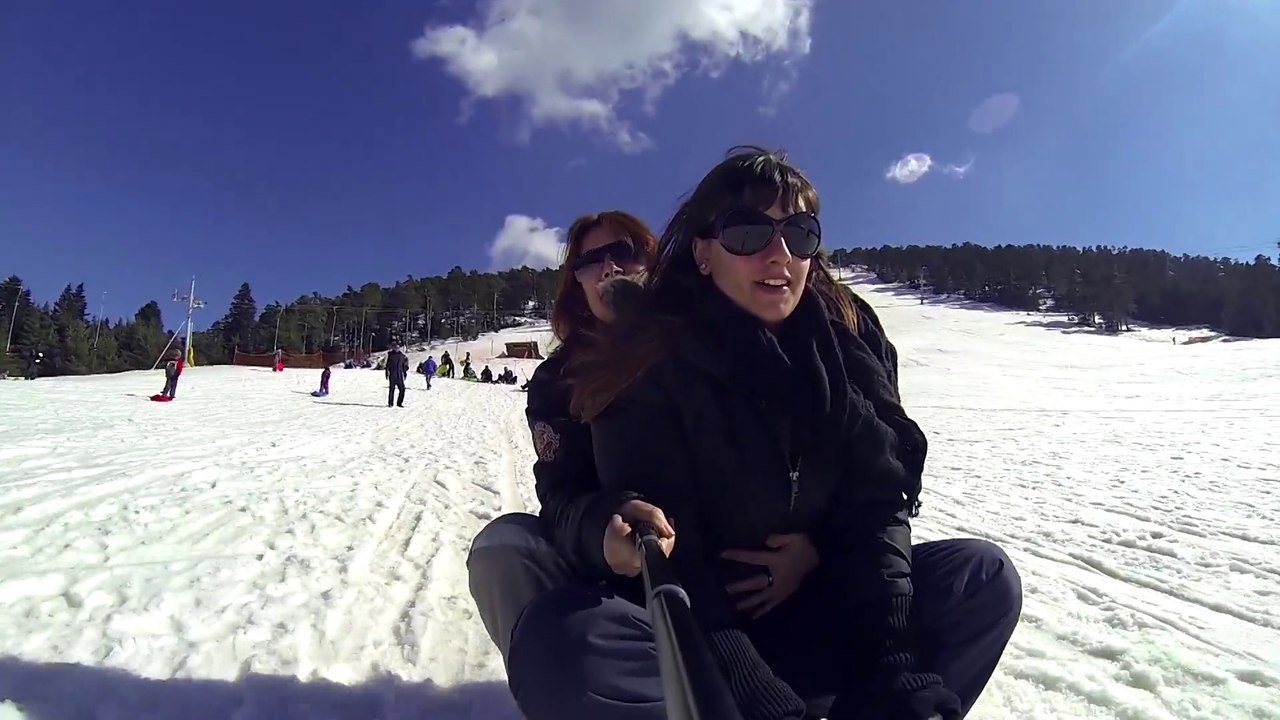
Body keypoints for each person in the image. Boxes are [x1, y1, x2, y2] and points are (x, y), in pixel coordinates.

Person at [566, 147, 1022, 720]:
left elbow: (876, 502)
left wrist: (894, 664)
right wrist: (765, 704)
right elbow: (673, 558)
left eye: (799, 233)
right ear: (704, 254)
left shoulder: (846, 351)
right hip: (706, 633)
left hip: (815, 605)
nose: (778, 252)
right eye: (749, 230)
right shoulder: (648, 363)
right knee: (573, 642)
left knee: (982, 577)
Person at [469, 211, 692, 720]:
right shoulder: (557, 380)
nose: (609, 266)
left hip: (719, 563)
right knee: (503, 548)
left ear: (653, 264)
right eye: (591, 260)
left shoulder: (698, 345)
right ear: (578, 283)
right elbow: (560, 493)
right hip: (612, 568)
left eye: (625, 251)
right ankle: (561, 681)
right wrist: (602, 529)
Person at [385, 342, 408, 407]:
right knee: (392, 390)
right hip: (392, 375)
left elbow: (403, 365)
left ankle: (399, 403)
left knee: (402, 389)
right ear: (394, 348)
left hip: (399, 375)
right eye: (396, 347)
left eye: (398, 348)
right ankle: (390, 403)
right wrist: (386, 373)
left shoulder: (402, 356)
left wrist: (405, 373)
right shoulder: (391, 355)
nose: (397, 349)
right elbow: (387, 365)